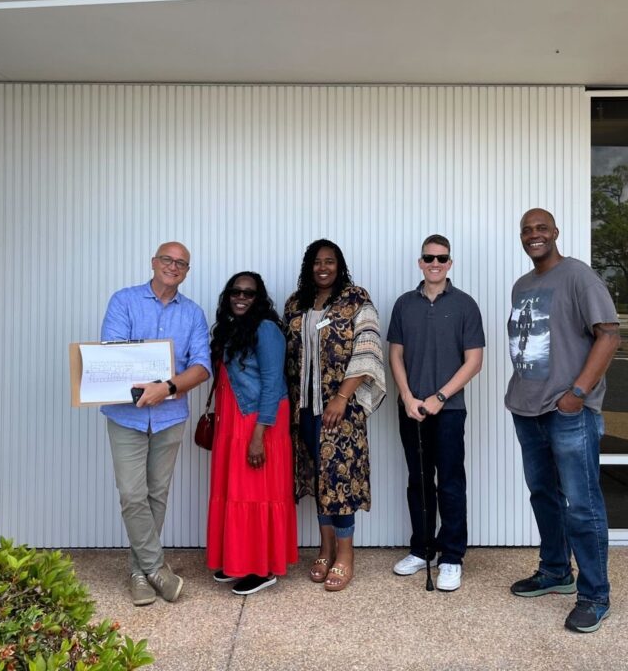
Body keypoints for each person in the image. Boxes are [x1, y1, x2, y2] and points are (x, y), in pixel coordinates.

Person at [505, 209, 620, 633]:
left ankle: (595, 594)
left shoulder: (578, 276)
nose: (533, 235)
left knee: (582, 504)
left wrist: (577, 394)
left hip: (567, 411)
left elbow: (609, 335)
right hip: (528, 409)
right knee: (544, 496)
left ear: (555, 233)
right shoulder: (523, 285)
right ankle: (556, 571)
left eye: (541, 229)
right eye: (526, 230)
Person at [100, 241, 211, 606]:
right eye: (168, 259)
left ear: (187, 271)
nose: (173, 266)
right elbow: (113, 354)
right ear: (153, 262)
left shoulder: (193, 314)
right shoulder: (124, 301)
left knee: (155, 496)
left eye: (181, 263)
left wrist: (166, 387)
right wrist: (149, 380)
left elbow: (201, 366)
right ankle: (157, 568)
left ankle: (138, 572)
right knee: (132, 495)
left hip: (169, 418)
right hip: (127, 417)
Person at [283, 239, 386, 592]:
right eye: (316, 262)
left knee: (341, 478)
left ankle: (345, 554)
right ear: (308, 267)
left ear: (339, 265)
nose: (322, 267)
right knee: (318, 479)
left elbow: (368, 348)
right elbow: (286, 354)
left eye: (329, 261)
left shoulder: (356, 300)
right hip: (305, 409)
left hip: (341, 409)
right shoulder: (296, 304)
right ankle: (325, 547)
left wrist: (342, 397)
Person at [388, 234, 485, 591]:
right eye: (428, 257)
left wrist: (440, 396)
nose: (435, 263)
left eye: (441, 258)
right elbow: (395, 354)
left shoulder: (465, 305)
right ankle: (422, 549)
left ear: (450, 263)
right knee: (418, 481)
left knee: (450, 482)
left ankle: (451, 557)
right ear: (420, 262)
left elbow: (474, 361)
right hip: (411, 409)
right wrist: (408, 396)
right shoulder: (404, 304)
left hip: (448, 409)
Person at [205, 272, 298, 595]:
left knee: (256, 495)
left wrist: (258, 435)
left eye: (249, 293)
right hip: (233, 420)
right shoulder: (230, 328)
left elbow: (273, 384)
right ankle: (237, 561)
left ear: (259, 298)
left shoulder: (266, 329)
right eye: (236, 291)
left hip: (258, 421)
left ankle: (262, 568)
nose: (241, 297)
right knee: (235, 493)